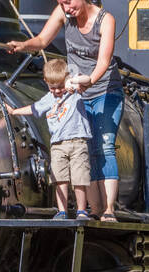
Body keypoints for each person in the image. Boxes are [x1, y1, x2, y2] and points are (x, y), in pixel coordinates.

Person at [7, 0, 123, 220]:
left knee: (104, 146)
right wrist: (22, 45)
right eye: (61, 4)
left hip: (105, 90)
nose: (66, 9)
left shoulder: (106, 20)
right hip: (76, 93)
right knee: (85, 147)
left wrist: (90, 80)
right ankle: (92, 209)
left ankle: (109, 209)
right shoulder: (63, 13)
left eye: (69, 2)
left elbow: (104, 61)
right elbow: (41, 40)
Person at [9, 58, 92, 220]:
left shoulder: (74, 91)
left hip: (77, 142)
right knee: (59, 178)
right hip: (57, 144)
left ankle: (82, 210)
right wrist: (14, 112)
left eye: (60, 87)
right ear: (46, 83)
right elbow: (34, 109)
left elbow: (87, 80)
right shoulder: (49, 97)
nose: (57, 91)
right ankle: (62, 211)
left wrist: (72, 81)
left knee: (79, 178)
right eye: (52, 87)